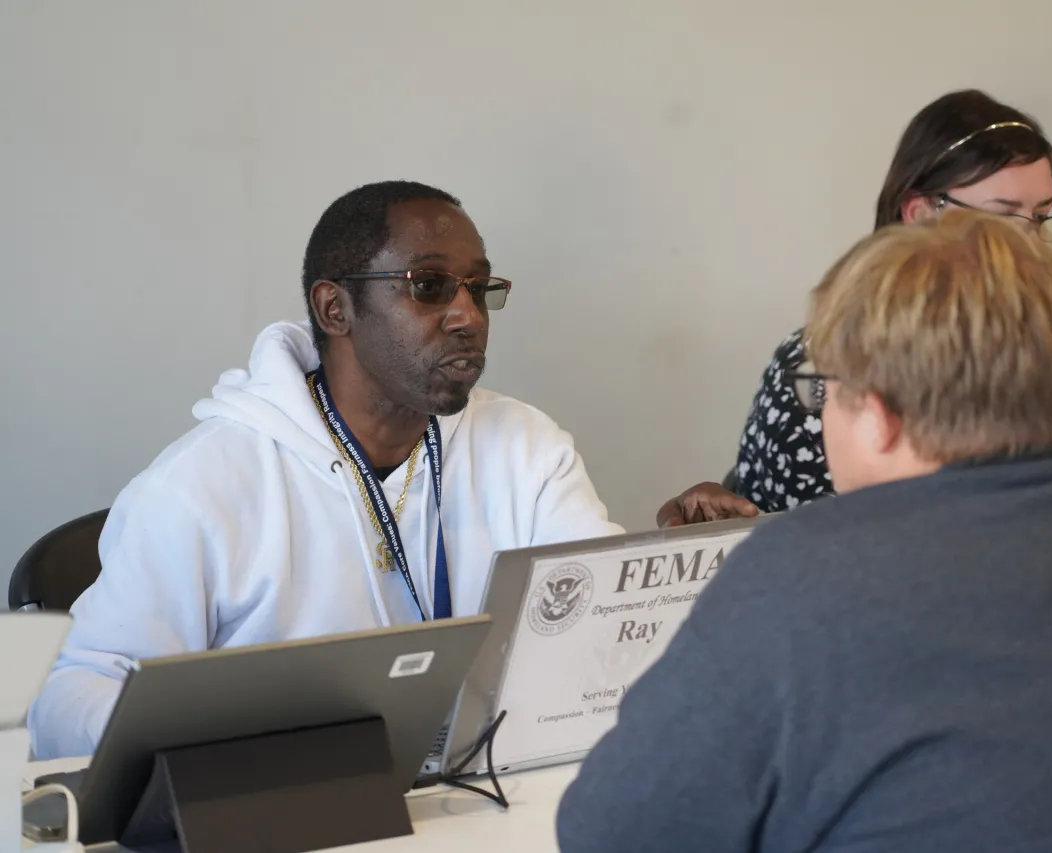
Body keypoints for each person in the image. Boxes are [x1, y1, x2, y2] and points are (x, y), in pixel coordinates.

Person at [558, 212, 1052, 852]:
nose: (820, 415)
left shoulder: (801, 573)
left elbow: (611, 829)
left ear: (880, 414)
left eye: (825, 392)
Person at [28, 180, 746, 759]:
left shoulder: (527, 447)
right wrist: (230, 738)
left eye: (478, 286)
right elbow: (71, 698)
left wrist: (677, 567)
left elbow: (598, 656)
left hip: (487, 809)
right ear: (335, 307)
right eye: (429, 286)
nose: (468, 314)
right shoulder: (200, 486)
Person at [726, 89, 1052, 531]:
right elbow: (801, 547)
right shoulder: (824, 364)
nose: (1032, 242)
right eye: (1003, 217)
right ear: (919, 214)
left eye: (1042, 216)